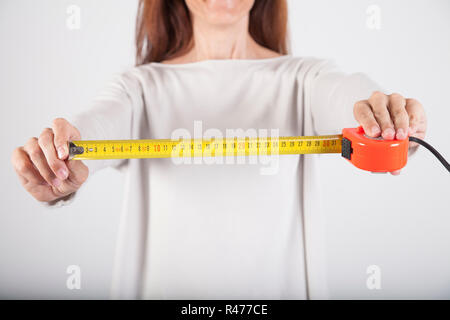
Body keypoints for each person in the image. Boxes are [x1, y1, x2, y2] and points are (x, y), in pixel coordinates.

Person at [11, 0, 427, 299]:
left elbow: (345, 95)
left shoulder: (303, 77)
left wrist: (385, 116)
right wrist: (66, 155)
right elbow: (103, 122)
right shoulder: (140, 87)